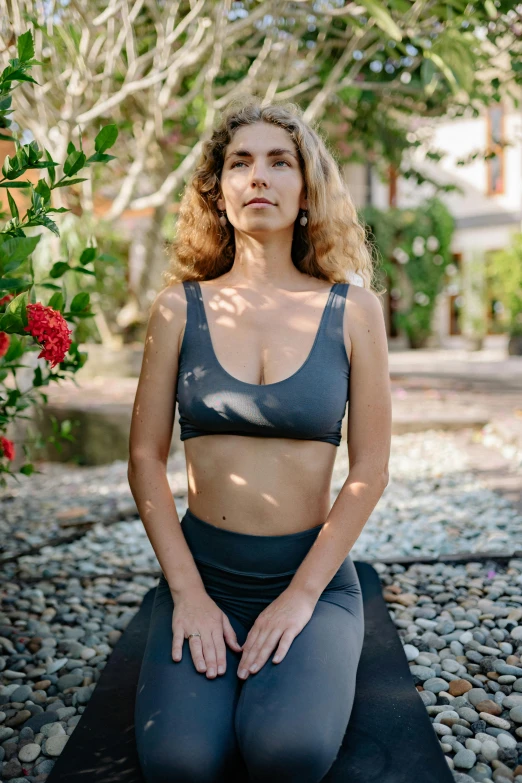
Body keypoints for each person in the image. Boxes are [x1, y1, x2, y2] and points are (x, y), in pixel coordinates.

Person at [129, 95, 392, 783]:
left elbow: (370, 468)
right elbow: (144, 458)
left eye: (281, 162)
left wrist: (302, 595)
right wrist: (186, 590)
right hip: (203, 573)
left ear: (306, 190)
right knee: (180, 764)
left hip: (312, 578)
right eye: (240, 163)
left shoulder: (353, 310)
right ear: (217, 192)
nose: (259, 177)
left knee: (287, 753)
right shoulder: (177, 309)